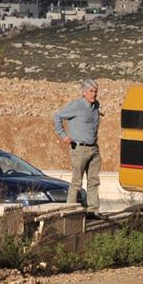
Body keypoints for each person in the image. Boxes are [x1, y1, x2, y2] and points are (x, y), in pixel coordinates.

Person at [53, 78, 102, 208]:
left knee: (94, 181)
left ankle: (93, 211)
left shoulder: (96, 105)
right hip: (80, 149)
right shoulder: (76, 106)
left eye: (95, 91)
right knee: (76, 181)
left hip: (94, 149)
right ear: (84, 92)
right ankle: (70, 211)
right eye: (91, 91)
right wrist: (63, 135)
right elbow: (57, 116)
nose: (94, 94)